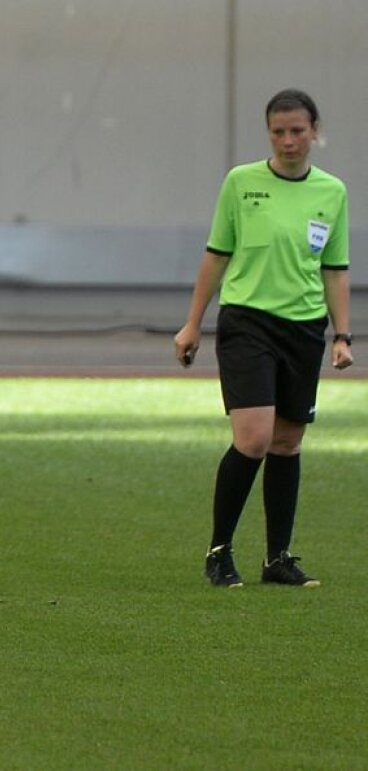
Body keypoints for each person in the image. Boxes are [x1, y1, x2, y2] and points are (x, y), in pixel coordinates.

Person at [174, 88, 353, 589]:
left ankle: (278, 558)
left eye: (298, 130)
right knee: (253, 439)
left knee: (287, 442)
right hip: (247, 323)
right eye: (279, 132)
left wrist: (342, 334)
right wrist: (192, 323)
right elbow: (216, 254)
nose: (289, 140)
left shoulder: (332, 192)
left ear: (314, 131)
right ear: (268, 133)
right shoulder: (241, 183)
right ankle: (218, 552)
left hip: (303, 328)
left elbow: (335, 269)